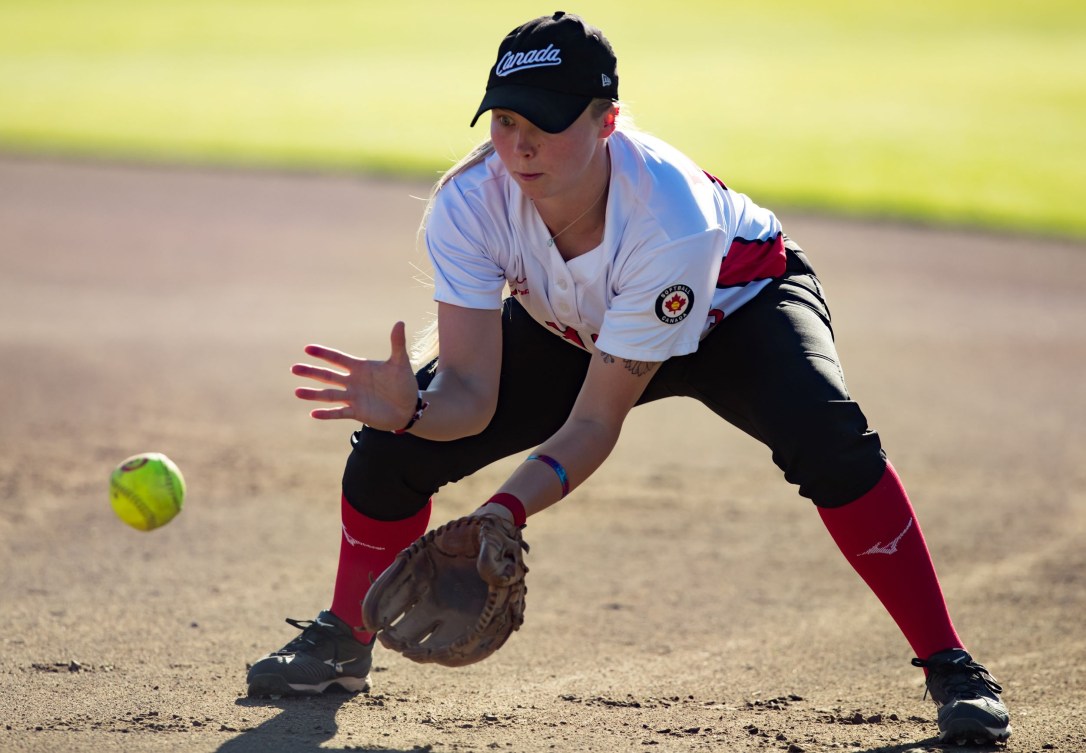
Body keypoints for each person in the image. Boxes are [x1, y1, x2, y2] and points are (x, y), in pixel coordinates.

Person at [245, 11, 1011, 745]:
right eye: (504, 121)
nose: (518, 145)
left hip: (734, 311)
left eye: (543, 121)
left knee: (829, 438)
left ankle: (951, 663)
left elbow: (594, 423)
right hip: (567, 327)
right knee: (387, 453)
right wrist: (411, 411)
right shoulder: (471, 204)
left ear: (606, 121)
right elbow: (470, 400)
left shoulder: (670, 217)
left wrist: (504, 511)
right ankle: (345, 640)